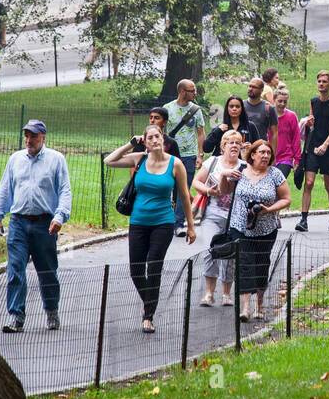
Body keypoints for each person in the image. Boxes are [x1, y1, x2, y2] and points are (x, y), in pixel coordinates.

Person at [105, 125, 195, 332]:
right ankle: (150, 302)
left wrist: (190, 226)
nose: (154, 140)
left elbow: (184, 195)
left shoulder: (175, 164)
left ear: (163, 139)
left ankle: (148, 316)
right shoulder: (139, 159)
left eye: (157, 136)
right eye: (150, 138)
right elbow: (109, 161)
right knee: (136, 270)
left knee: (154, 267)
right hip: (138, 222)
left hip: (163, 222)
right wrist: (130, 144)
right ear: (145, 142)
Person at [0, 119, 72, 332]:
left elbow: (64, 190)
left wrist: (59, 217)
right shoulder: (15, 159)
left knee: (47, 271)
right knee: (15, 268)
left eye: (33, 136)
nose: (29, 140)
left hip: (45, 224)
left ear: (43, 138)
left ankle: (52, 311)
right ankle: (16, 316)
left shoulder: (56, 160)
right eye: (26, 136)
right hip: (18, 222)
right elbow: (5, 189)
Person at [230, 140, 291, 323]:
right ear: (253, 154)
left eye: (268, 153)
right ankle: (245, 308)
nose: (265, 156)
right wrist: (226, 176)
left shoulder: (275, 174)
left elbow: (286, 199)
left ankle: (259, 305)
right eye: (261, 152)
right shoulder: (240, 170)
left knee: (261, 265)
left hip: (266, 229)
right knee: (245, 265)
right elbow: (224, 190)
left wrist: (269, 209)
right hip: (240, 227)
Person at [192, 130, 244, 307]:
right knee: (210, 250)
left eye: (238, 143)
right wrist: (207, 191)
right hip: (212, 215)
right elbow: (196, 182)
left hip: (235, 218)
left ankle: (226, 293)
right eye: (231, 143)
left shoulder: (244, 166)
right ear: (223, 146)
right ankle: (209, 293)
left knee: (230, 255)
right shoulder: (213, 162)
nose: (235, 146)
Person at [296, 70, 329, 232]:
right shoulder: (313, 102)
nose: (321, 84)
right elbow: (312, 123)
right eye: (319, 81)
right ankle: (303, 219)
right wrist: (308, 123)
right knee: (308, 183)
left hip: (328, 149)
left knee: (328, 185)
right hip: (312, 147)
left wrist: (326, 144)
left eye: (324, 81)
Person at [166, 79, 206, 235]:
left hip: (189, 156)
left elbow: (201, 133)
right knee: (169, 188)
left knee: (183, 189)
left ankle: (178, 224)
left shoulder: (196, 110)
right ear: (182, 92)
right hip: (170, 156)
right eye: (192, 90)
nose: (195, 93)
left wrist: (200, 155)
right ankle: (167, 220)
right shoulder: (167, 108)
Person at [84, 0, 122, 81]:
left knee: (113, 51)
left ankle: (114, 74)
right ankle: (88, 74)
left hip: (106, 28)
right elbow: (95, 13)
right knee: (99, 51)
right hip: (105, 28)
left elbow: (94, 14)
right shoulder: (106, 0)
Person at [271, 88, 302, 179]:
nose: (282, 104)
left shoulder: (291, 116)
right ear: (274, 99)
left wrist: (297, 159)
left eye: (285, 101)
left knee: (278, 183)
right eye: (280, 101)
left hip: (285, 157)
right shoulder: (268, 115)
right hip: (269, 156)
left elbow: (296, 138)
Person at [242, 77, 277, 143]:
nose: (250, 89)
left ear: (262, 90)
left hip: (261, 147)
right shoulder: (241, 106)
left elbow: (274, 133)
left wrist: (273, 152)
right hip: (244, 147)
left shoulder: (269, 108)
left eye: (254, 87)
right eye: (249, 86)